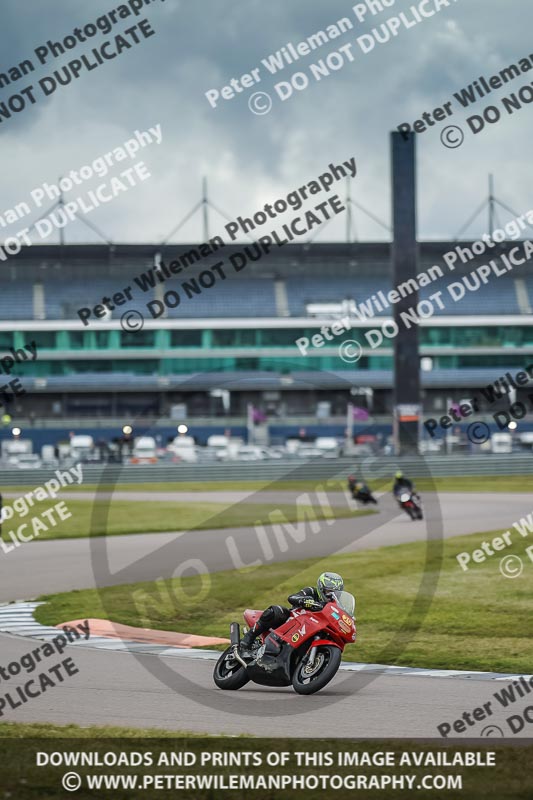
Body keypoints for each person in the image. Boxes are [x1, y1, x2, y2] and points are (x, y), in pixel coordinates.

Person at [239, 572, 344, 656]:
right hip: (293, 620)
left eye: (335, 593)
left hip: (312, 628)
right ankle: (249, 637)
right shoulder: (311, 591)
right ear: (321, 588)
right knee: (277, 610)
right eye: (329, 591)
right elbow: (292, 597)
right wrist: (304, 601)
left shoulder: (334, 605)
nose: (331, 595)